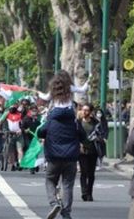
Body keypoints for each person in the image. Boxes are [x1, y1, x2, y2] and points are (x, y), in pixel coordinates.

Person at [37, 70, 86, 219]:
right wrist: (88, 80)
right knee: (68, 185)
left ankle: (54, 203)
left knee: (50, 180)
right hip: (71, 157)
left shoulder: (51, 120)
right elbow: (83, 136)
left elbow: (41, 132)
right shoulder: (75, 122)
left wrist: (39, 93)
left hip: (53, 156)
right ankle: (66, 213)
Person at [76, 103, 105, 201]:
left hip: (93, 150)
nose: (84, 112)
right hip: (82, 151)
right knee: (83, 172)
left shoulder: (96, 123)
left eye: (87, 110)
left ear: (91, 112)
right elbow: (75, 135)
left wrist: (98, 138)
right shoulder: (78, 122)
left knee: (91, 173)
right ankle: (84, 192)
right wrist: (79, 144)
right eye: (83, 110)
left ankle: (89, 193)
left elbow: (102, 134)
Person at [20, 105, 41, 174]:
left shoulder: (38, 120)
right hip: (28, 137)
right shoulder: (26, 119)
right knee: (31, 151)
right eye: (33, 111)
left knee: (36, 151)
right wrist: (25, 130)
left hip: (36, 138)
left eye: (35, 111)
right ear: (30, 111)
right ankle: (32, 167)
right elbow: (22, 127)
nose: (34, 112)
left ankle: (35, 164)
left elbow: (41, 127)